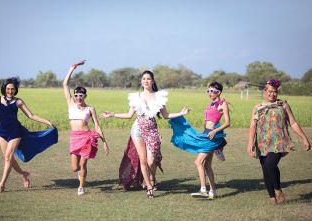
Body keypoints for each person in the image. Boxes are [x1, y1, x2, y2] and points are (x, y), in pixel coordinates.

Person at [101, 70, 191, 198]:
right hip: (137, 129)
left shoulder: (159, 96)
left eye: (148, 79)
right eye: (144, 79)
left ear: (152, 81)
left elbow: (166, 115)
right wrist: (112, 114)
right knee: (143, 160)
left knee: (151, 160)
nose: (146, 81)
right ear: (141, 81)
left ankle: (151, 178)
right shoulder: (136, 96)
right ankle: (149, 187)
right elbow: (128, 115)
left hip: (152, 130)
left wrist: (181, 113)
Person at [0, 77, 55, 193]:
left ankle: (2, 184)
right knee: (10, 159)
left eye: (13, 89)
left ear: (15, 90)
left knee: (8, 158)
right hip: (2, 132)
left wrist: (47, 122)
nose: (10, 91)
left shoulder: (18, 101)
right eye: (8, 89)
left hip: (15, 132)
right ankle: (24, 174)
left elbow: (31, 115)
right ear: (4, 89)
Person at [247, 79, 311, 205]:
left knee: (270, 165)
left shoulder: (283, 105)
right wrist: (250, 143)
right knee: (265, 168)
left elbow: (293, 123)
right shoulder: (258, 107)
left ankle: (278, 189)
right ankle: (272, 198)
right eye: (270, 91)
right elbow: (252, 126)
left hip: (279, 141)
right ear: (265, 91)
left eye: (275, 92)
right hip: (262, 142)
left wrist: (305, 138)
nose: (272, 94)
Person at [169, 82, 230, 199]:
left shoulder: (222, 104)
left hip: (212, 137)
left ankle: (203, 190)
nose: (210, 93)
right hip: (206, 134)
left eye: (213, 91)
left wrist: (215, 131)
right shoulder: (210, 104)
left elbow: (227, 123)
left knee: (198, 162)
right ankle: (213, 192)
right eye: (208, 91)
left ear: (219, 92)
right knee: (207, 165)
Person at [63, 60, 109, 195]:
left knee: (83, 164)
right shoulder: (70, 103)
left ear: (85, 96)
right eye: (76, 95)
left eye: (81, 95)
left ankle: (81, 187)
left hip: (86, 138)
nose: (78, 97)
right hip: (74, 137)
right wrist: (72, 68)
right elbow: (65, 84)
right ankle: (80, 176)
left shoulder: (90, 109)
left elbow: (97, 125)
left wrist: (104, 142)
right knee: (74, 168)